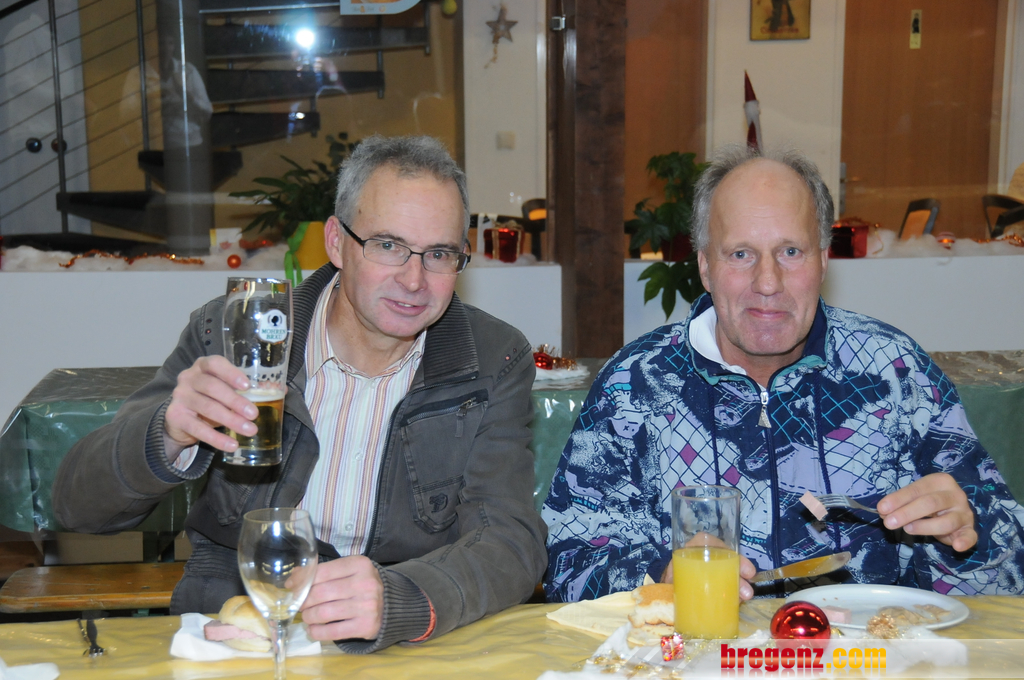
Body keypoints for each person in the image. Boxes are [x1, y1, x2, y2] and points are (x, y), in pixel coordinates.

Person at [54, 135, 547, 652]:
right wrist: (166, 434)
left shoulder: (492, 357)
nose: (413, 279)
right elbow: (77, 508)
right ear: (336, 242)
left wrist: (405, 598)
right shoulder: (237, 333)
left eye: (439, 254)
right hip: (239, 626)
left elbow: (510, 541)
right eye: (387, 245)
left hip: (401, 642)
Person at [542, 144, 1024, 602]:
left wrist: (970, 539)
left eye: (790, 252)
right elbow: (566, 563)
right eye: (740, 254)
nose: (768, 282)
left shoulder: (896, 373)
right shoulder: (635, 383)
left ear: (823, 260)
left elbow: (1008, 575)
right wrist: (659, 578)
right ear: (705, 267)